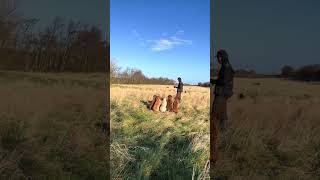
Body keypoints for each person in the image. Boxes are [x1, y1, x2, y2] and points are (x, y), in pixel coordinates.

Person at [210, 49, 235, 163]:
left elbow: (224, 81)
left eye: (220, 57)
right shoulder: (226, 66)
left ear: (224, 57)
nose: (218, 59)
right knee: (222, 115)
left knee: (214, 115)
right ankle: (224, 135)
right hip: (222, 94)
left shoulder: (226, 67)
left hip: (221, 95)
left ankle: (215, 138)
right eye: (218, 57)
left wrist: (214, 81)